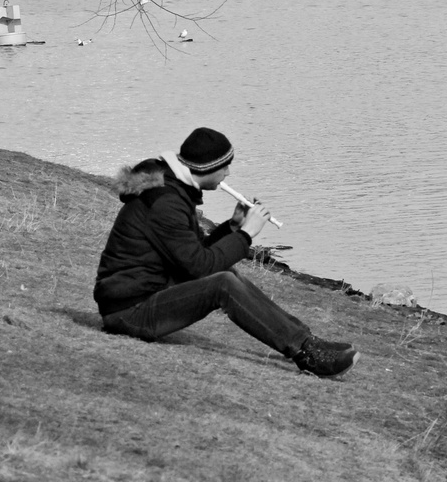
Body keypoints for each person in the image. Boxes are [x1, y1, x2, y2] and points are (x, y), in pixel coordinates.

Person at [94, 127, 358, 377]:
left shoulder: (172, 191)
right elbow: (200, 267)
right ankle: (306, 353)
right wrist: (246, 235)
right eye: (224, 166)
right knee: (222, 283)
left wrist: (232, 227)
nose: (228, 173)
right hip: (128, 311)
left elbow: (193, 255)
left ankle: (304, 341)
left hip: (146, 294)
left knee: (225, 272)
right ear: (208, 168)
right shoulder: (165, 203)